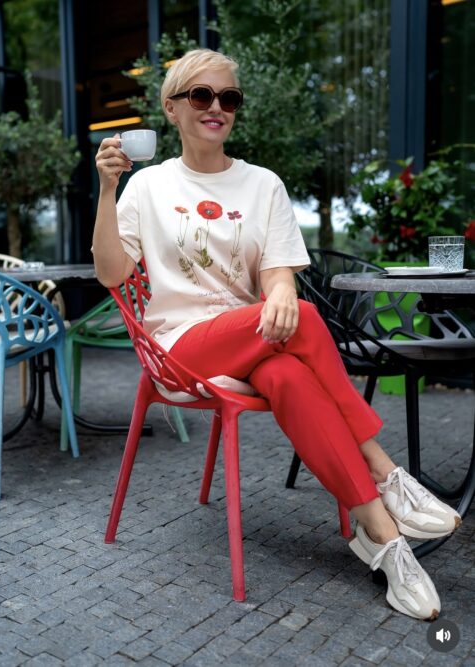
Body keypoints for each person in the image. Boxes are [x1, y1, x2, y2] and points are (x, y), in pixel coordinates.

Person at [92, 48, 461, 621]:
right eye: (201, 95)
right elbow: (112, 274)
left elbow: (277, 271)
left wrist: (283, 288)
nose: (217, 107)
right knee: (306, 321)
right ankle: (385, 470)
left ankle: (381, 535)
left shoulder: (262, 184)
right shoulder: (148, 186)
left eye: (229, 97)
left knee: (288, 372)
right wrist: (107, 190)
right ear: (171, 107)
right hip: (181, 349)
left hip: (257, 343)